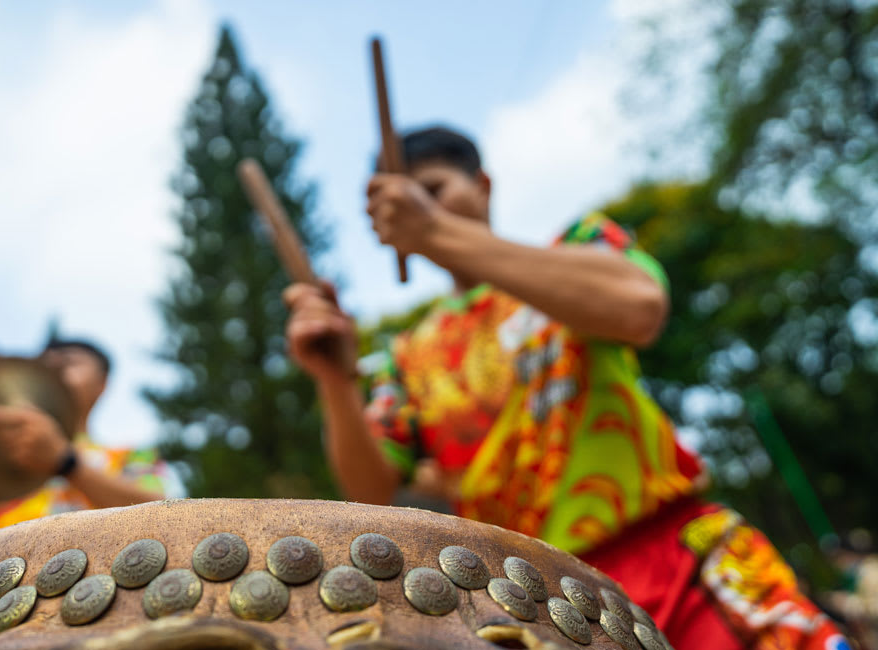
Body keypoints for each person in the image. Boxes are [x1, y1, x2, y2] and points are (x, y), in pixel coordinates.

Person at [283, 126, 849, 649]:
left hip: (680, 562)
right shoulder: (408, 358)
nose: (420, 206)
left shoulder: (580, 246)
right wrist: (335, 380)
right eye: (408, 199)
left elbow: (638, 307)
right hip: (541, 609)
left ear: (482, 185)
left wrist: (435, 231)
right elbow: (370, 490)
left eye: (434, 188)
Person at [0, 338, 170, 561]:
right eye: (41, 367)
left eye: (68, 363)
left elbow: (163, 520)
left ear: (102, 384)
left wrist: (65, 463)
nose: (51, 371)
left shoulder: (132, 457)